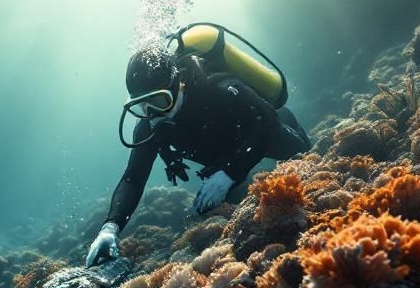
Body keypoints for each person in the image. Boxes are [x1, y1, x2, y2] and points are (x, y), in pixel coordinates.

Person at [85, 46, 311, 267]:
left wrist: (228, 174)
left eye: (159, 101)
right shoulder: (148, 125)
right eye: (141, 106)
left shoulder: (220, 87)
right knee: (231, 210)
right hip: (222, 157)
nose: (152, 113)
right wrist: (110, 227)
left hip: (256, 133)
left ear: (177, 84)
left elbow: (267, 122)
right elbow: (133, 178)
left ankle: (286, 124)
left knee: (302, 151)